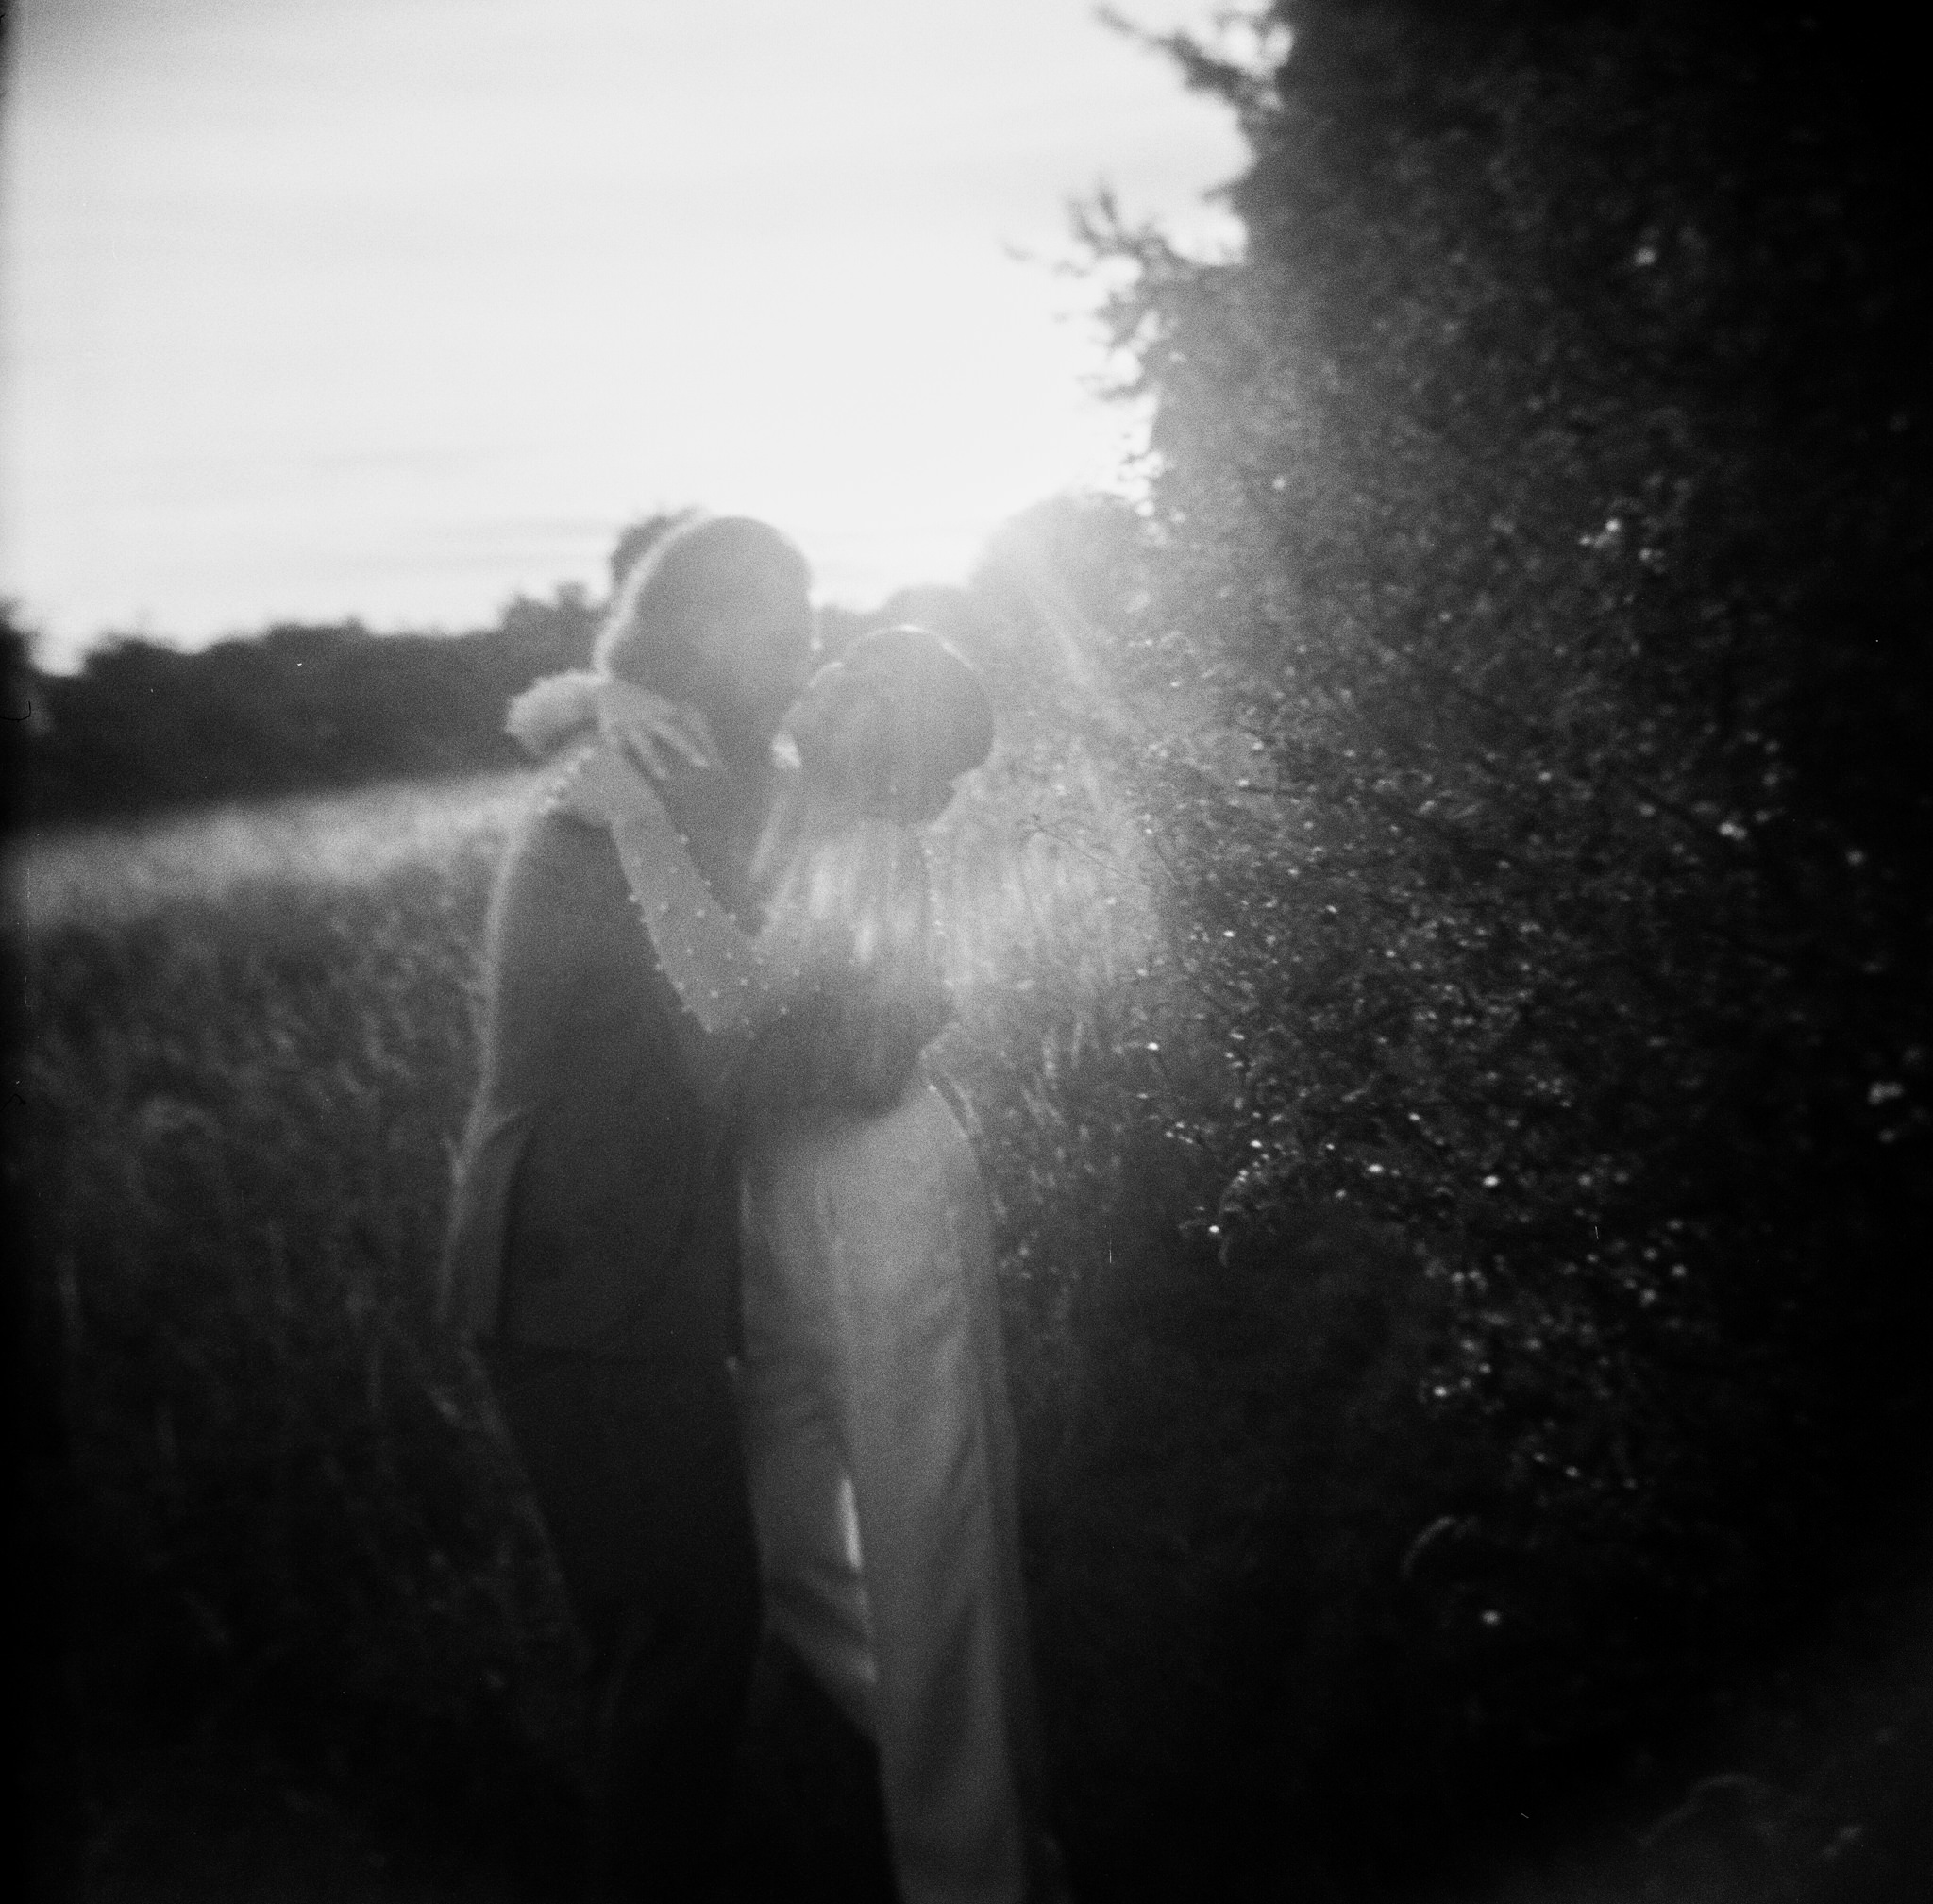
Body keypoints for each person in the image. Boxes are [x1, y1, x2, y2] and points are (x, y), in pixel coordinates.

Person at [556, 627, 1064, 1904]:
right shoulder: (807, 811)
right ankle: (956, 1780)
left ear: (887, 730)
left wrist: (634, 829)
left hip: (887, 1191)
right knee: (786, 1550)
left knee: (931, 1554)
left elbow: (729, 1004)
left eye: (861, 672)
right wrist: (603, 695)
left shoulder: (871, 843)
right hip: (788, 1190)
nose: (828, 669)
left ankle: (984, 1876)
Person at [438, 514, 815, 1901]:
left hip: (595, 1258)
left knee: (659, 1634)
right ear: (700, 631)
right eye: (780, 614)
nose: (808, 635)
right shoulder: (642, 777)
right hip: (578, 1270)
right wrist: (884, 1035)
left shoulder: (700, 760)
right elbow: (728, 1036)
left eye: (812, 605)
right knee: (690, 1633)